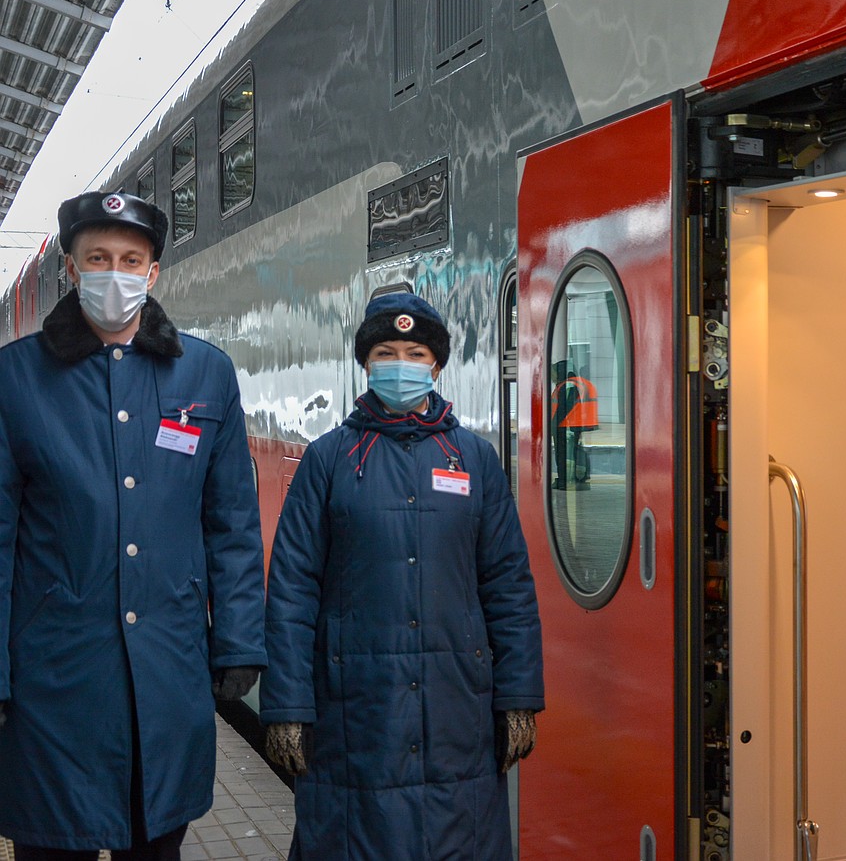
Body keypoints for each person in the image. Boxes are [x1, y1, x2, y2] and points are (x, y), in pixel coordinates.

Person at [0, 192, 267, 860]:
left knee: (155, 844)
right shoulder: (15, 379)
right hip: (54, 684)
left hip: (166, 675)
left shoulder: (206, 373)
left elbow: (231, 523)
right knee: (51, 842)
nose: (113, 273)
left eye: (130, 259)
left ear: (152, 274)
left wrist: (237, 642)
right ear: (70, 267)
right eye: (97, 258)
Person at [259, 292, 544, 860]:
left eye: (415, 352)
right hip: (356, 712)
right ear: (366, 364)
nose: (401, 364)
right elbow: (292, 590)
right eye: (386, 351)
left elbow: (508, 583)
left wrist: (518, 695)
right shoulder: (329, 459)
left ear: (436, 365)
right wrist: (287, 707)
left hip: (456, 708)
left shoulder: (473, 459)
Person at [550, 363, 597, 488]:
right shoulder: (566, 385)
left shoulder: (567, 386)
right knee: (573, 452)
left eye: (553, 372)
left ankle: (564, 480)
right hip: (568, 426)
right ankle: (574, 477)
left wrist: (554, 425)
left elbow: (564, 409)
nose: (551, 376)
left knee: (565, 454)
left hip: (565, 427)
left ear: (559, 372)